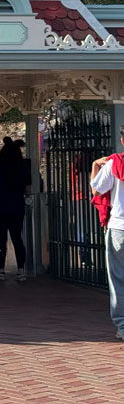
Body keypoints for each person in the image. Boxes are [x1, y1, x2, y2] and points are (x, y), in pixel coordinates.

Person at [90, 125, 124, 340]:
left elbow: (97, 190)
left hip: (119, 226)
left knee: (118, 278)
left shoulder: (114, 163)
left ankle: (122, 325)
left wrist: (95, 165)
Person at [0, 137, 31, 282]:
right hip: (16, 207)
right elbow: (28, 189)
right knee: (17, 239)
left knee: (1, 240)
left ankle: (1, 270)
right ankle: (21, 270)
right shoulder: (23, 168)